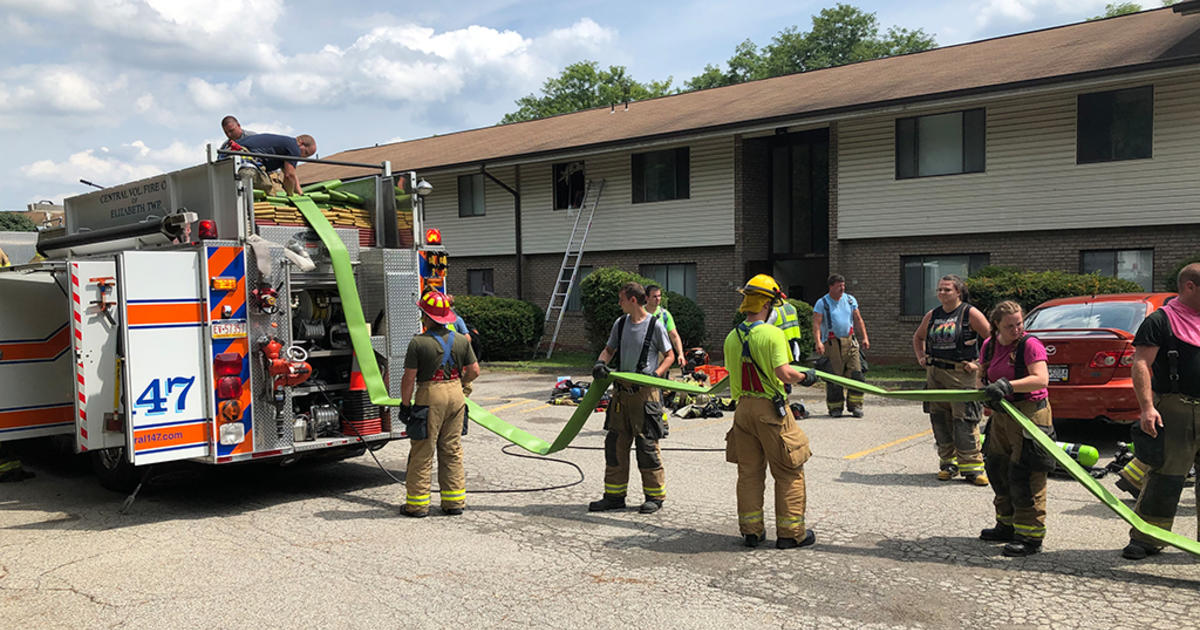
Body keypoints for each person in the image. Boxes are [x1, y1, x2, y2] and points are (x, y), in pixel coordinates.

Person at [723, 274, 820, 549]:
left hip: (742, 411)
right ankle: (791, 535)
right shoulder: (773, 334)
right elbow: (784, 373)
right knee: (789, 470)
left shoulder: (732, 337)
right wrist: (806, 378)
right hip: (770, 410)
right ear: (767, 305)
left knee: (750, 473)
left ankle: (751, 532)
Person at [1122, 263, 1200, 560]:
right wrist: (1147, 408)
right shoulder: (1160, 321)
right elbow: (1140, 363)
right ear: (1189, 287)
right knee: (1166, 478)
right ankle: (1147, 538)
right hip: (1174, 408)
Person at [589, 282, 675, 514]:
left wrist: (655, 375)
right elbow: (609, 350)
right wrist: (600, 364)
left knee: (646, 446)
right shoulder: (620, 324)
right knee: (615, 444)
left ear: (633, 300)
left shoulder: (655, 325)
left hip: (645, 395)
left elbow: (670, 356)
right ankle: (614, 496)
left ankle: (654, 497)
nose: (619, 304)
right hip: (621, 395)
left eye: (622, 299)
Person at [977, 300, 1054, 557]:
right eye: (1010, 326)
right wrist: (982, 388)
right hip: (1003, 415)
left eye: (1019, 323)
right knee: (998, 468)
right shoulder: (990, 346)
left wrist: (1008, 386)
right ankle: (1006, 524)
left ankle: (1030, 536)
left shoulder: (1030, 345)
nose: (1017, 329)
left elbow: (1040, 378)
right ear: (996, 325)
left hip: (1030, 414)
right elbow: (983, 373)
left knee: (1027, 473)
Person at [398, 291, 480, 517]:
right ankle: (454, 503)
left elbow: (408, 379)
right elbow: (474, 371)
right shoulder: (462, 340)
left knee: (423, 451)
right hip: (456, 395)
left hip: (429, 396)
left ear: (425, 315)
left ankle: (417, 506)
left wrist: (405, 406)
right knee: (451, 450)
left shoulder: (418, 343)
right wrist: (458, 385)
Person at [912, 274, 992, 485]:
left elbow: (992, 340)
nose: (942, 293)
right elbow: (918, 337)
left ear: (958, 292)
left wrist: (979, 364)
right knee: (939, 419)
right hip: (935, 374)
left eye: (947, 289)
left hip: (962, 375)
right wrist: (921, 357)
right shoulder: (933, 315)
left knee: (965, 420)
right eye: (939, 289)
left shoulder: (970, 313)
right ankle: (948, 463)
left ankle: (973, 468)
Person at [812, 274, 869, 417]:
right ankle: (835, 407)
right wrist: (818, 342)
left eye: (843, 285)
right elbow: (816, 324)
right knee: (834, 377)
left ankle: (855, 406)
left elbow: (858, 319)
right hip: (832, 344)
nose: (842, 288)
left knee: (857, 373)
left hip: (850, 342)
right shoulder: (822, 303)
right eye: (839, 286)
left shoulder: (850, 300)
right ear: (831, 287)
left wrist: (865, 338)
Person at [235, 132, 317, 196]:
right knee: (268, 191)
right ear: (301, 143)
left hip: (233, 153)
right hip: (246, 159)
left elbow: (293, 176)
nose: (302, 157)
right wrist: (290, 195)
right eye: (305, 153)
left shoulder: (284, 146)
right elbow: (289, 175)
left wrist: (300, 193)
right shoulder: (294, 147)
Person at [645, 285, 685, 369]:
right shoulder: (640, 313)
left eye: (659, 296)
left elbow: (674, 336)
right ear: (647, 298)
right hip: (643, 353)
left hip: (661, 355)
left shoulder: (665, 315)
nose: (658, 299)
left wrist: (680, 354)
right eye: (654, 296)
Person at [767, 299, 804, 364]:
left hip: (779, 345)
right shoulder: (790, 307)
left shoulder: (774, 310)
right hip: (792, 343)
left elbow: (764, 327)